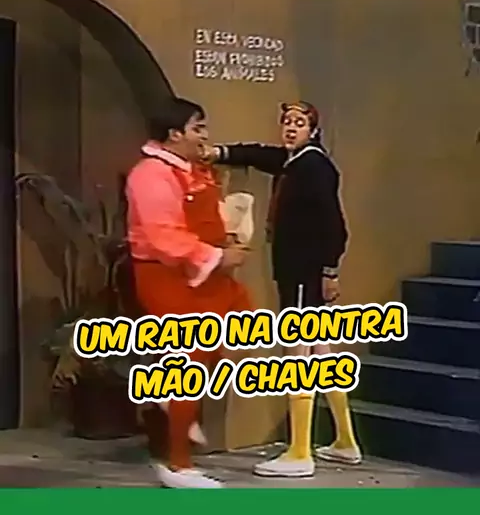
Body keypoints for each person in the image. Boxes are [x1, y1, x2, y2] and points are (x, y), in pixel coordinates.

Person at [206, 101, 362, 478]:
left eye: (299, 123)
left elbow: (335, 225)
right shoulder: (296, 162)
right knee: (321, 353)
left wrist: (329, 270)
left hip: (304, 272)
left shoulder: (314, 167)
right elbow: (262, 155)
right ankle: (345, 441)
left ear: (313, 130)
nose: (291, 128)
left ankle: (299, 451)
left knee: (299, 355)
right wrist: (220, 153)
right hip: (299, 270)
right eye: (287, 122)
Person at [125, 98, 252, 489]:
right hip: (166, 276)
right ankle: (178, 465)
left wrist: (227, 237)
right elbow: (164, 236)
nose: (204, 135)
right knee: (191, 360)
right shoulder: (150, 175)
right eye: (198, 128)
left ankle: (168, 394)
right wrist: (217, 256)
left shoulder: (191, 169)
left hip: (202, 274)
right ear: (174, 134)